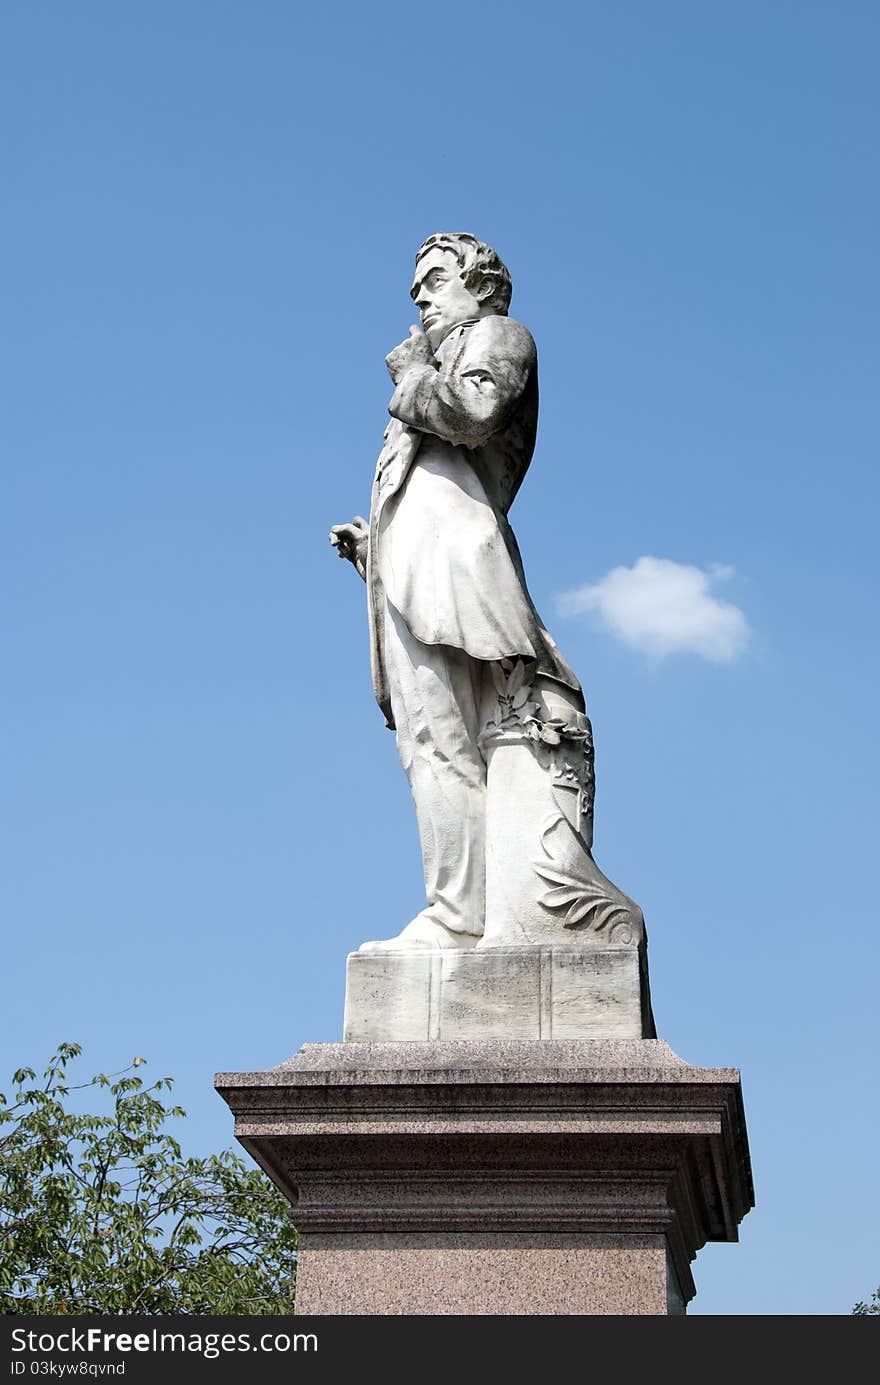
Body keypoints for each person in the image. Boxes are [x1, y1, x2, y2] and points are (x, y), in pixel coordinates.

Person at [331, 233, 616, 953]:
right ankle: (458, 909)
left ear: (481, 286)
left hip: (462, 575)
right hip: (417, 574)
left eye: (433, 281)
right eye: (416, 288)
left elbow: (475, 412)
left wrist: (410, 370)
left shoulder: (498, 336)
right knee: (433, 746)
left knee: (461, 744)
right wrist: (378, 550)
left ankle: (460, 913)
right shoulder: (438, 359)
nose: (420, 296)